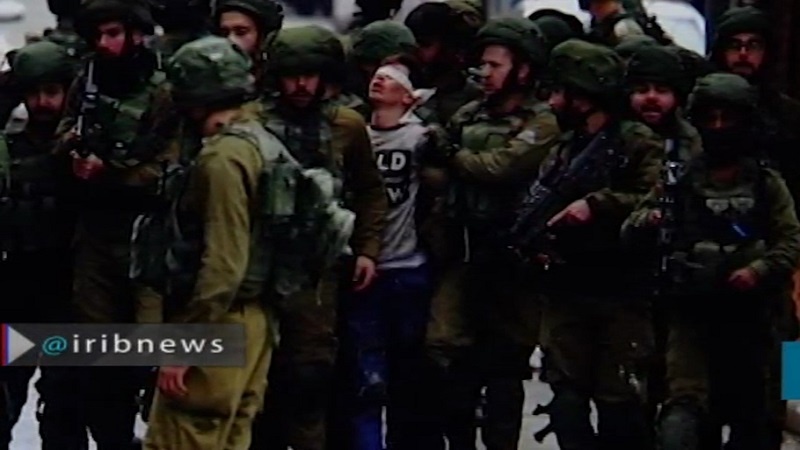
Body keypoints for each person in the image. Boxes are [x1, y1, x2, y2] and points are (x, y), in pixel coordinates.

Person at [623, 72, 800, 450]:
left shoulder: (767, 182)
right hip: (694, 316)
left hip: (765, 320)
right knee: (683, 415)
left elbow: (791, 241)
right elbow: (632, 229)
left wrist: (757, 271)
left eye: (728, 118)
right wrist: (650, 221)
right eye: (710, 118)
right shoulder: (681, 179)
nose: (718, 127)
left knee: (765, 419)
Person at [250, 24, 388, 450]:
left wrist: (367, 250)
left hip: (318, 270)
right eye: (292, 75)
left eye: (310, 75)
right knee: (259, 378)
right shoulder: (251, 123)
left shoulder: (346, 125)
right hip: (260, 266)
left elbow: (370, 191)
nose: (301, 85)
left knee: (311, 376)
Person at [428, 17, 559, 450]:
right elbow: (433, 166)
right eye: (481, 64)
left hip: (514, 263)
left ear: (523, 70)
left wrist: (453, 157)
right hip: (464, 253)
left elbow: (502, 167)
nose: (484, 73)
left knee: (505, 367)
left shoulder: (542, 121)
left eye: (495, 65)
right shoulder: (469, 115)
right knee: (449, 355)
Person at [142, 35, 278, 450]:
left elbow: (223, 263)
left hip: (219, 322)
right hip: (255, 320)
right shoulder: (261, 140)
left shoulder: (222, 159)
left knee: (182, 437)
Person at [52, 0, 170, 447]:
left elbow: (171, 166)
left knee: (153, 354)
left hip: (148, 237)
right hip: (96, 237)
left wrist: (115, 172)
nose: (104, 44)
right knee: (99, 359)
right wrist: (74, 149)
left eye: (114, 34)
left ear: (136, 34)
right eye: (98, 35)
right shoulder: (88, 79)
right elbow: (63, 131)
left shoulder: (162, 89)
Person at [538, 38, 662, 450]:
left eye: (561, 91)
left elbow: (657, 198)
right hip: (568, 289)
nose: (552, 102)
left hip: (622, 291)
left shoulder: (636, 142)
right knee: (566, 404)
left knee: (620, 408)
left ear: (583, 95)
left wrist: (597, 205)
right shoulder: (566, 146)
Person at [338, 53, 441, 450]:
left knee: (408, 377)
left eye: (391, 78)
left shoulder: (420, 139)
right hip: (368, 271)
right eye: (376, 76)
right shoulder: (358, 136)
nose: (379, 81)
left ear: (409, 96)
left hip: (409, 268)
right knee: (366, 380)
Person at [0, 40, 79, 450]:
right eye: (33, 93)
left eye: (52, 92)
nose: (42, 102)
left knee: (64, 405)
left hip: (69, 293)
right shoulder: (9, 147)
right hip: (17, 291)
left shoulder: (82, 149)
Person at [214, 0, 284, 90]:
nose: (231, 40)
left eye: (241, 32)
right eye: (224, 33)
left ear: (264, 36)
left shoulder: (282, 77)